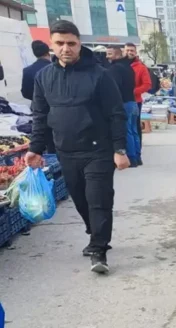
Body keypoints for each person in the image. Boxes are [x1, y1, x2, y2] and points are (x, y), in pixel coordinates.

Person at [25, 21, 129, 274]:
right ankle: (94, 232)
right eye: (60, 43)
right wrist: (35, 148)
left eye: (71, 43)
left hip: (98, 150)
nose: (66, 48)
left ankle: (99, 250)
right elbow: (40, 115)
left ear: (80, 44)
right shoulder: (44, 77)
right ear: (51, 45)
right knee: (81, 201)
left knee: (98, 200)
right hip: (65, 151)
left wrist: (120, 149)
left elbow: (116, 114)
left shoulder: (100, 75)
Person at [106, 46, 141, 169]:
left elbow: (114, 88)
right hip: (133, 102)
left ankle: (131, 158)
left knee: (127, 131)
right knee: (134, 131)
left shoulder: (114, 69)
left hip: (124, 103)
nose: (107, 56)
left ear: (117, 55)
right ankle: (137, 156)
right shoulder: (128, 67)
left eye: (109, 54)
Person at [124, 42, 151, 165]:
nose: (129, 52)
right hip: (125, 100)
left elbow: (147, 84)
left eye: (132, 50)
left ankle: (137, 155)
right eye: (127, 50)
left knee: (134, 129)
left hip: (136, 101)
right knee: (131, 129)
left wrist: (133, 91)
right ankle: (134, 155)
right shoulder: (121, 65)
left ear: (135, 52)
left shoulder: (140, 67)